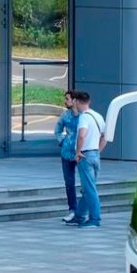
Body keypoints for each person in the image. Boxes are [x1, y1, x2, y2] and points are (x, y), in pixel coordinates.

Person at [67, 91, 106, 229]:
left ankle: (95, 218)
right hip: (95, 155)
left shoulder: (84, 117)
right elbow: (105, 137)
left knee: (89, 189)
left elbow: (81, 135)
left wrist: (78, 152)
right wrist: (97, 151)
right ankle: (79, 216)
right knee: (88, 188)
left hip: (85, 155)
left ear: (77, 102)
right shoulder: (98, 116)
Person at [54, 90, 79, 223]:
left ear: (75, 101)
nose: (66, 101)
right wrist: (62, 140)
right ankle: (72, 209)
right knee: (69, 183)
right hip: (66, 152)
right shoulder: (65, 115)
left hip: (81, 153)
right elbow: (57, 130)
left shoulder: (83, 116)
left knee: (86, 183)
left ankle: (83, 210)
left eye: (68, 99)